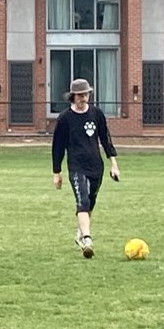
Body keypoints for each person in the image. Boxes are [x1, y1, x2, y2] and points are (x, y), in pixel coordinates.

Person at [51, 78, 120, 258]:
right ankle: (87, 239)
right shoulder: (65, 118)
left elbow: (106, 140)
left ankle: (80, 232)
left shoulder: (97, 114)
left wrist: (114, 164)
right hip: (76, 166)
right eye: (80, 95)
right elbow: (57, 146)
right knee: (82, 201)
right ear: (73, 96)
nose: (84, 98)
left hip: (96, 166)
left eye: (86, 94)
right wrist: (56, 172)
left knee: (90, 202)